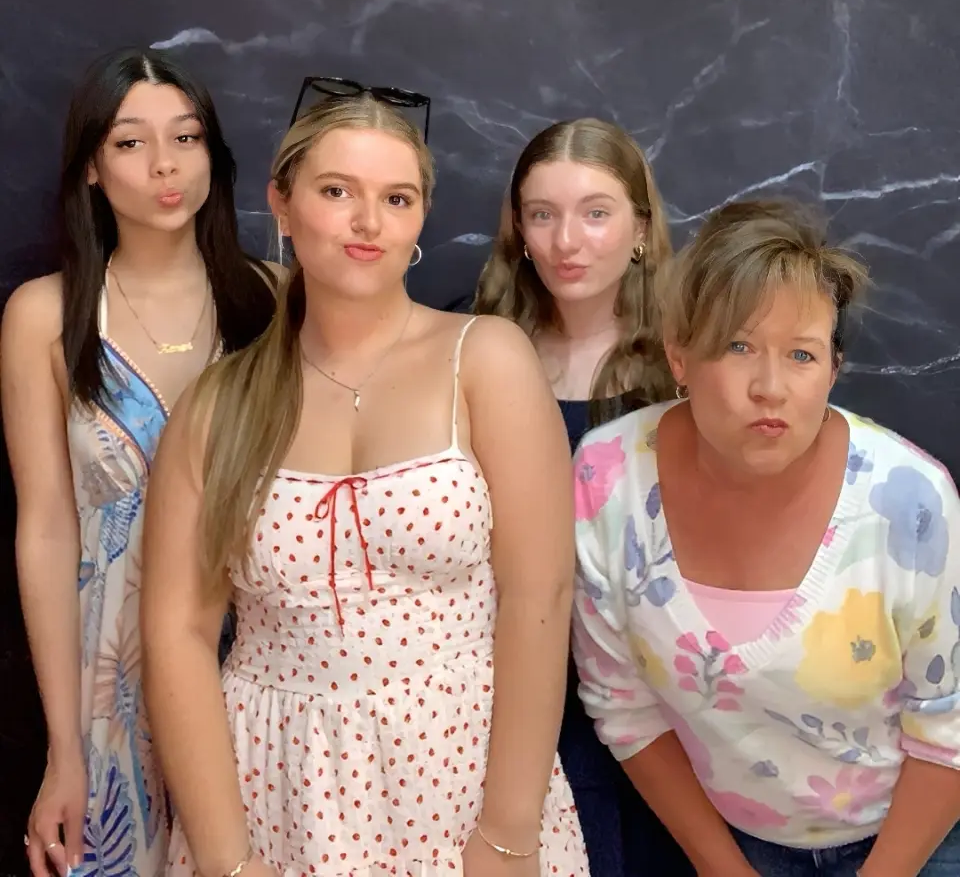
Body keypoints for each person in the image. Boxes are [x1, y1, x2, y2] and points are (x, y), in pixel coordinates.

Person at [141, 95, 587, 877]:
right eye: (337, 191)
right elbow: (177, 635)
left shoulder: (486, 359)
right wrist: (226, 860)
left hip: (459, 780)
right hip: (272, 790)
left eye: (397, 199)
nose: (368, 222)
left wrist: (510, 832)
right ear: (282, 202)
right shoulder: (217, 407)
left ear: (420, 220)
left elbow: (540, 595)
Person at [572, 198, 960, 876]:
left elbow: (949, 733)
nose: (770, 387)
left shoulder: (910, 501)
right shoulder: (608, 481)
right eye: (738, 346)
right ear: (681, 356)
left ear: (833, 372)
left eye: (802, 355)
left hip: (915, 838)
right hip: (732, 840)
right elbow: (623, 708)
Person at [1, 49, 280, 877]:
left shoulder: (277, 299)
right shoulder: (45, 316)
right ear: (91, 165)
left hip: (255, 669)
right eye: (130, 143)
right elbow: (49, 532)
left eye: (186, 137)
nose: (165, 165)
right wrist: (64, 748)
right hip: (108, 685)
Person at [475, 117, 688, 876]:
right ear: (519, 232)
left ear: (639, 227)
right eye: (543, 214)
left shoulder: (687, 361)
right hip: (518, 689)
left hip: (658, 701)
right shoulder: (480, 355)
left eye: (595, 212)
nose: (568, 240)